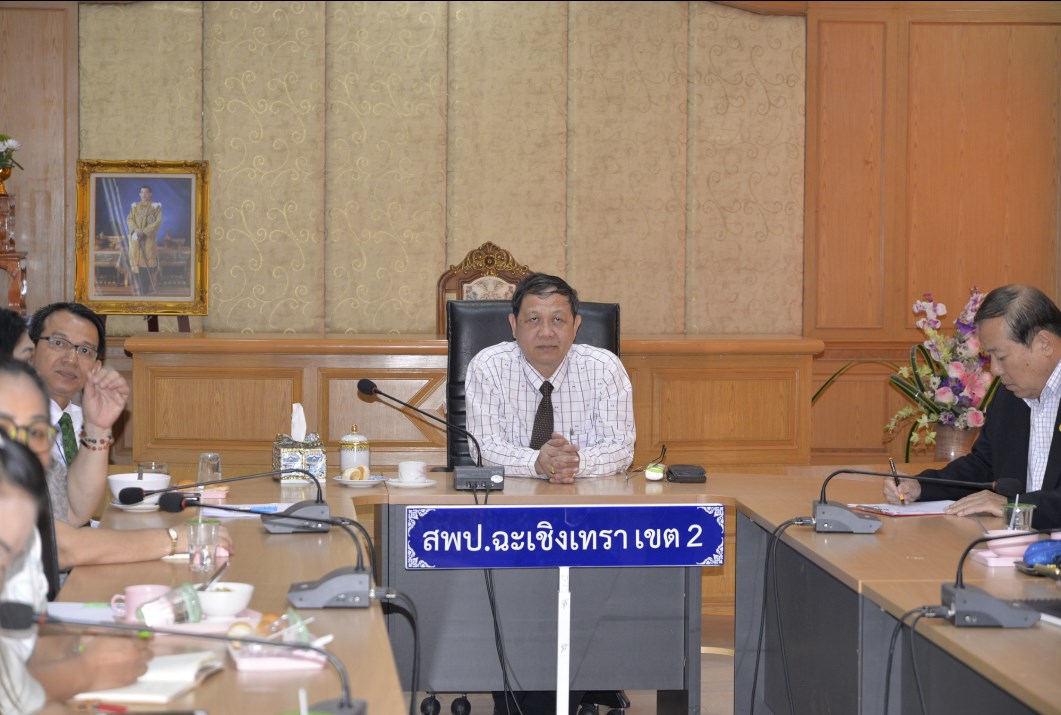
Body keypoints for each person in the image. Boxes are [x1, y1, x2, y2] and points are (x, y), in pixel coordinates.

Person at [885, 284, 1061, 527]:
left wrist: (1013, 505)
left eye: (1001, 357)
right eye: (990, 358)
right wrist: (921, 486)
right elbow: (983, 466)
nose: (995, 370)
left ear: (1044, 344)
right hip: (1015, 539)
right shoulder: (1010, 394)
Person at [465, 273, 635, 483]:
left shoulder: (605, 368)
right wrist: (537, 462)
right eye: (533, 320)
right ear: (514, 325)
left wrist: (574, 462)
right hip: (510, 495)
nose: (546, 332)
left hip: (584, 494)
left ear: (575, 326)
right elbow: (484, 446)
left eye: (557, 320)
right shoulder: (488, 367)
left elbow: (620, 447)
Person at [125, 184, 162, 295]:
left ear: (150, 194)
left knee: (147, 263)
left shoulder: (155, 207)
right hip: (137, 239)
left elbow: (157, 222)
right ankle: (140, 287)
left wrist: (144, 232)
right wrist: (136, 229)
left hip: (148, 239)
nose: (144, 194)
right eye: (142, 192)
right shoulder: (135, 206)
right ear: (139, 194)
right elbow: (129, 219)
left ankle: (145, 288)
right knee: (137, 263)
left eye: (146, 192)